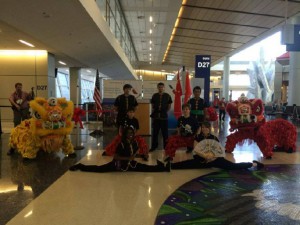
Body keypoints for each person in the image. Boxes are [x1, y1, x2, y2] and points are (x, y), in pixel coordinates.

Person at [69, 126, 169, 172]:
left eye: (132, 133)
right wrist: (128, 159)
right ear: (125, 134)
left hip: (130, 164)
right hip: (118, 165)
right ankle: (81, 166)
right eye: (128, 133)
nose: (130, 135)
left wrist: (141, 155)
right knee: (98, 169)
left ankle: (162, 168)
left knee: (146, 168)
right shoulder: (121, 144)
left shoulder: (134, 143)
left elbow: (132, 154)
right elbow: (116, 157)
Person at [171, 121, 264, 170]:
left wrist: (212, 157)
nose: (204, 129)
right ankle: (169, 166)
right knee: (186, 164)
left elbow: (219, 151)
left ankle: (253, 164)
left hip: (214, 159)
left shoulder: (214, 138)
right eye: (203, 127)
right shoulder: (198, 138)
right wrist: (205, 156)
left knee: (232, 166)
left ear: (209, 128)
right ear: (201, 128)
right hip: (201, 159)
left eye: (206, 127)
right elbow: (196, 150)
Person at [149, 82, 173, 151]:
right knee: (155, 133)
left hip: (164, 117)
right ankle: (154, 146)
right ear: (157, 88)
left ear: (164, 88)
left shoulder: (167, 96)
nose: (160, 88)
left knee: (165, 133)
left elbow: (169, 106)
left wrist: (164, 111)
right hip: (156, 117)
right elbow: (153, 105)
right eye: (159, 87)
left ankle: (166, 147)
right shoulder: (154, 95)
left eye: (162, 87)